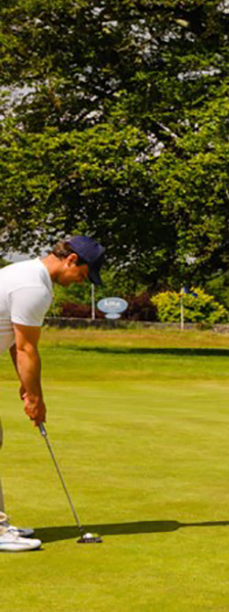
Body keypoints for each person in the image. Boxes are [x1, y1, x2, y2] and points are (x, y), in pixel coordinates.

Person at [0, 236, 105, 552]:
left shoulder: (22, 273)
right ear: (71, 260)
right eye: (83, 275)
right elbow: (26, 347)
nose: (78, 282)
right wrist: (35, 398)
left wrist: (26, 384)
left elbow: (11, 340)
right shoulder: (35, 287)